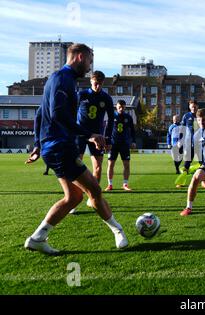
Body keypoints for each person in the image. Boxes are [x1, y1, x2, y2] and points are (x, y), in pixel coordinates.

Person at [25, 43, 128, 254]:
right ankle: (118, 231)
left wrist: (37, 143)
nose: (90, 67)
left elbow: (39, 114)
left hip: (55, 146)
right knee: (94, 190)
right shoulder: (63, 79)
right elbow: (58, 115)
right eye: (89, 60)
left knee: (74, 197)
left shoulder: (62, 80)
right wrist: (90, 135)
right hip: (60, 147)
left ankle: (37, 238)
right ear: (80, 57)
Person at [71, 70, 114, 212]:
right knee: (76, 168)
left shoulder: (106, 98)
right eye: (96, 83)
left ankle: (92, 198)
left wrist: (107, 138)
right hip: (80, 134)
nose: (98, 86)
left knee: (98, 168)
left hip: (98, 137)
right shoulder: (81, 95)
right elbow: (71, 113)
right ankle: (73, 201)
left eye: (100, 84)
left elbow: (111, 120)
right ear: (91, 81)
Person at [105, 100, 136, 191]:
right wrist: (107, 142)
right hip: (113, 144)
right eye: (119, 107)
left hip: (125, 144)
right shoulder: (112, 117)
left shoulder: (128, 117)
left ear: (125, 107)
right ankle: (110, 184)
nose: (121, 109)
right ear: (116, 107)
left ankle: (125, 184)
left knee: (126, 164)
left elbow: (133, 131)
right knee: (110, 164)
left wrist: (133, 141)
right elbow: (107, 130)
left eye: (123, 107)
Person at [179, 100, 205, 188]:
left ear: (197, 106)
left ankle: (203, 181)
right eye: (192, 106)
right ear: (189, 107)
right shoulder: (186, 116)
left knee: (203, 163)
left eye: (195, 106)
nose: (193, 108)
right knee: (186, 163)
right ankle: (181, 181)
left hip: (200, 144)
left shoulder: (201, 115)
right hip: (189, 143)